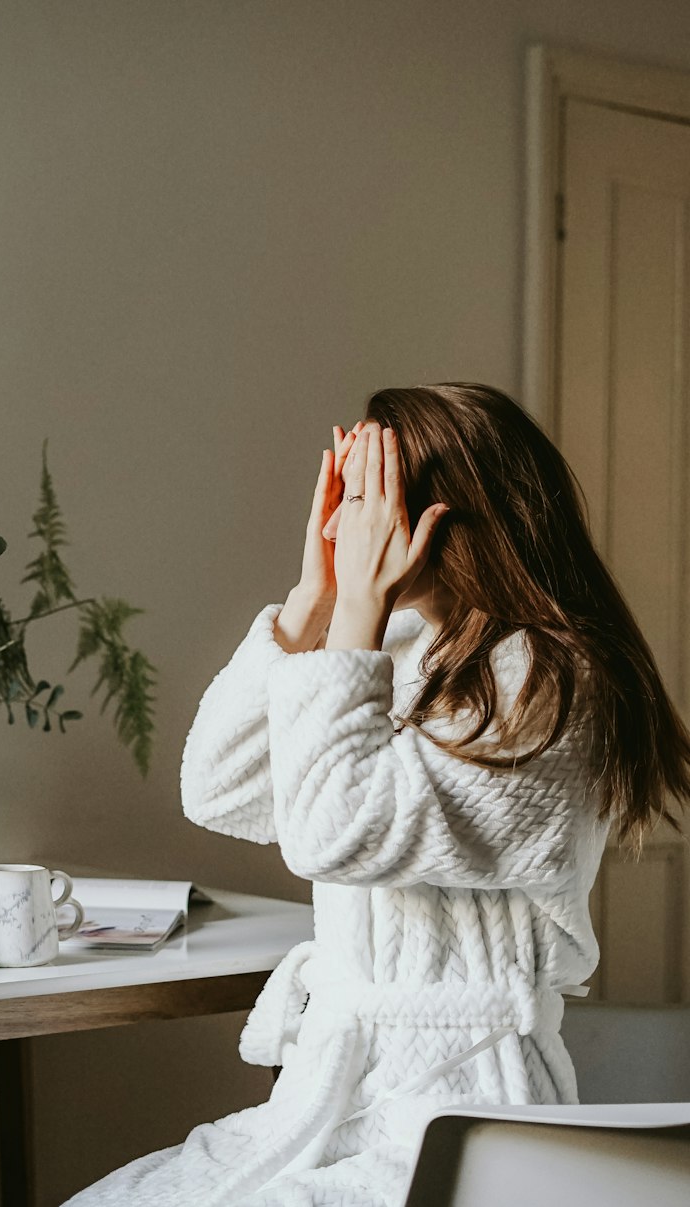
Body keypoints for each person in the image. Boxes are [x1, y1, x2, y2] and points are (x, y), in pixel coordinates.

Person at [63, 382, 690, 1207]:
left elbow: (333, 831)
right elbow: (219, 788)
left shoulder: (547, 678)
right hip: (330, 1093)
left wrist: (354, 614)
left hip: (463, 1105)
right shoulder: (393, 647)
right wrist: (314, 602)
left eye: (369, 499)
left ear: (443, 515)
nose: (348, 524)